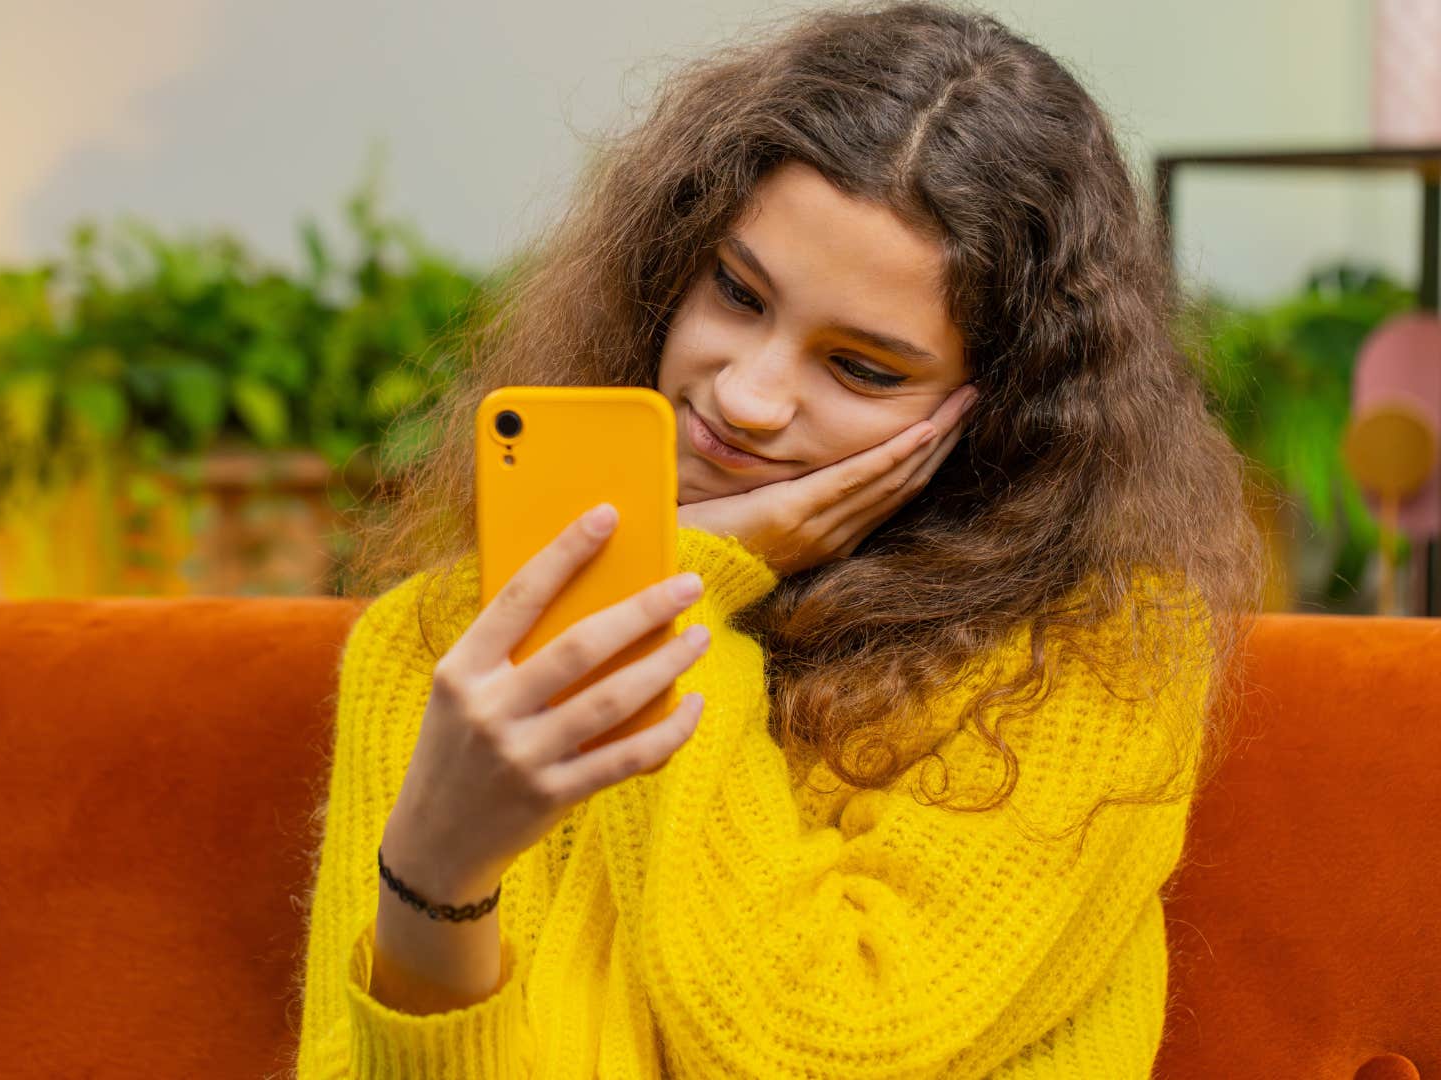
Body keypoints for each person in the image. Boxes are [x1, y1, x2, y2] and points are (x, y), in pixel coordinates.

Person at [291, 2, 1265, 1076]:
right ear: (671, 266)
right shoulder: (436, 649)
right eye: (738, 293)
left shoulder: (1084, 658)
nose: (747, 396)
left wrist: (677, 583)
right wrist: (438, 871)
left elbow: (817, 1046)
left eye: (863, 368)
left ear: (1001, 418)